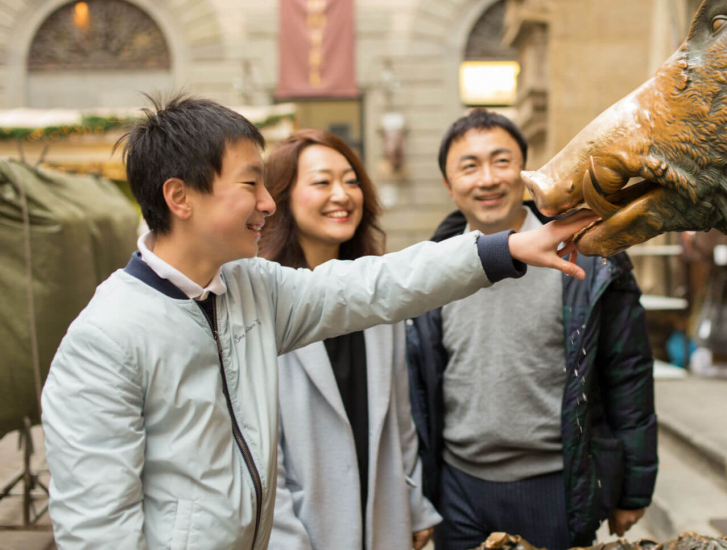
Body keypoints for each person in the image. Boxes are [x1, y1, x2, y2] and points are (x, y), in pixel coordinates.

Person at [40, 95, 595, 550]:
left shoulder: (250, 287)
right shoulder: (105, 339)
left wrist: (507, 248)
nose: (268, 203)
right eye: (251, 184)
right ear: (179, 196)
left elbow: (373, 285)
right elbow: (97, 529)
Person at [407, 109, 658, 550]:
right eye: (470, 166)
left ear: (526, 173)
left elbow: (628, 372)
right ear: (449, 185)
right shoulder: (430, 270)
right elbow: (419, 392)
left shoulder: (586, 256)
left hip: (556, 485)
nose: (488, 179)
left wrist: (633, 490)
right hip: (458, 490)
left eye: (501, 161)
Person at [261, 129, 439, 550]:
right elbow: (261, 450)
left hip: (382, 517)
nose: (341, 195)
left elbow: (400, 418)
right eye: (322, 182)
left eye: (352, 181)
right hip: (300, 528)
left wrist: (413, 503)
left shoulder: (378, 293)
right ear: (282, 198)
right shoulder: (263, 300)